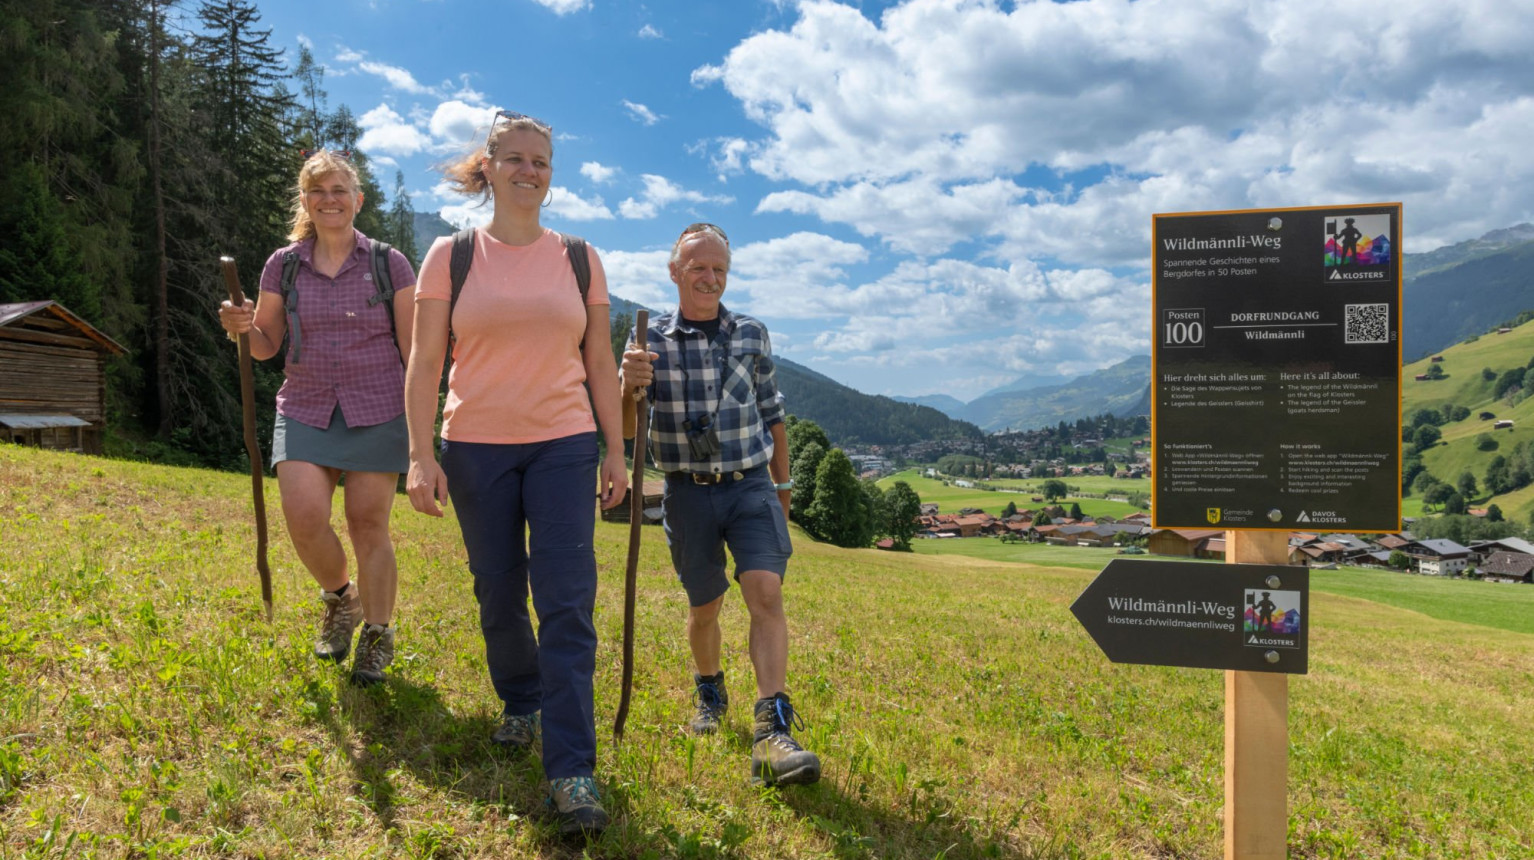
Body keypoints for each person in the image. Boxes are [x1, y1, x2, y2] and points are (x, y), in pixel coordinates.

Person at [403, 110, 627, 836]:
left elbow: (598, 362)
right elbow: (426, 363)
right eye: (517, 159)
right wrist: (418, 453)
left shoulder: (581, 259)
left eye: (542, 162)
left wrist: (615, 451)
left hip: (565, 444)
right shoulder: (452, 255)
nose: (531, 171)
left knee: (567, 600)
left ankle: (571, 770)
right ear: (490, 167)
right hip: (475, 444)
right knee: (498, 591)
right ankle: (522, 699)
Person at [620, 222, 821, 787]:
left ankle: (772, 729)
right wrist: (626, 386)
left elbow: (773, 415)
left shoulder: (752, 333)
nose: (710, 278)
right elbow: (628, 426)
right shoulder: (648, 341)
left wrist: (782, 491)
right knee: (704, 606)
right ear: (674, 271)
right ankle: (710, 691)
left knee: (765, 590)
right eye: (699, 268)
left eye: (719, 270)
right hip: (687, 492)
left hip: (750, 483)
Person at [217, 149, 416, 687]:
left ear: (358, 199)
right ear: (305, 201)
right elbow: (264, 345)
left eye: (339, 191)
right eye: (318, 192)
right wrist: (239, 326)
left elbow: (415, 347)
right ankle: (341, 599)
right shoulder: (283, 264)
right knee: (304, 518)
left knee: (367, 524)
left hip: (378, 406)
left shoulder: (388, 263)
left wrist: (423, 426)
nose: (329, 200)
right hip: (305, 404)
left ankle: (377, 634)